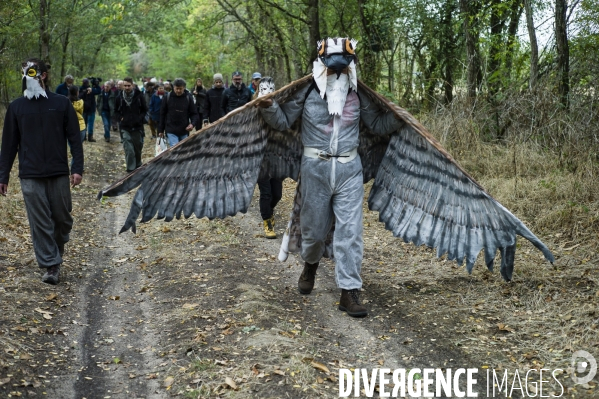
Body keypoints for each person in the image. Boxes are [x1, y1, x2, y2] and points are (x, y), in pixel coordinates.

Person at [257, 38, 403, 317]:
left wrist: (398, 116)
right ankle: (310, 265)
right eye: (332, 66)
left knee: (350, 233)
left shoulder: (358, 94)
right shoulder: (307, 91)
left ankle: (349, 292)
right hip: (315, 168)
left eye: (343, 66)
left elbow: (378, 125)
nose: (337, 72)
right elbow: (283, 121)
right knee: (313, 232)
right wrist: (268, 104)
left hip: (350, 169)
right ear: (321, 64)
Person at [0, 58, 84, 285]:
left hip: (58, 171)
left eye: (32, 71)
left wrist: (77, 168)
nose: (27, 75)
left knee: (62, 219)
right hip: (30, 174)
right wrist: (3, 174)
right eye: (24, 71)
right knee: (40, 222)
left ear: (43, 75)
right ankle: (51, 265)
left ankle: (57, 248)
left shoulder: (61, 103)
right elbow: (8, 143)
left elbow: (75, 138)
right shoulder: (17, 107)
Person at [114, 77, 147, 173]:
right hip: (125, 127)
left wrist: (139, 118)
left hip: (137, 127)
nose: (127, 87)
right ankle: (130, 170)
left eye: (129, 85)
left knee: (137, 149)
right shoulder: (119, 97)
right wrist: (120, 118)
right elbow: (116, 111)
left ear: (132, 85)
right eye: (125, 86)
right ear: (123, 86)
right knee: (129, 149)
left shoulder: (139, 96)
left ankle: (137, 165)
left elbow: (145, 110)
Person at [158, 78, 199, 147]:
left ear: (184, 88)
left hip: (184, 129)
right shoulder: (167, 97)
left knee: (184, 149)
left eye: (180, 89)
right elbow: (162, 114)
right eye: (177, 88)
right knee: (175, 149)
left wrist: (192, 124)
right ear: (173, 87)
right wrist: (160, 130)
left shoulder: (188, 98)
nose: (178, 91)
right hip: (171, 129)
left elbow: (194, 113)